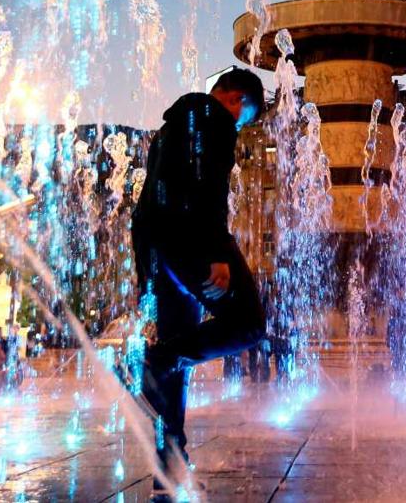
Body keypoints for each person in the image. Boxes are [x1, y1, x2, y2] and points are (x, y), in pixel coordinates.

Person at [130, 68, 267, 497]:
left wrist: (146, 277)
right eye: (247, 119)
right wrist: (215, 252)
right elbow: (208, 187)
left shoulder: (169, 129)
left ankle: (169, 466)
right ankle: (155, 361)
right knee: (247, 322)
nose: (242, 127)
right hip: (192, 241)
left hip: (160, 248)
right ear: (237, 101)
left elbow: (146, 206)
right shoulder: (213, 118)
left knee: (179, 352)